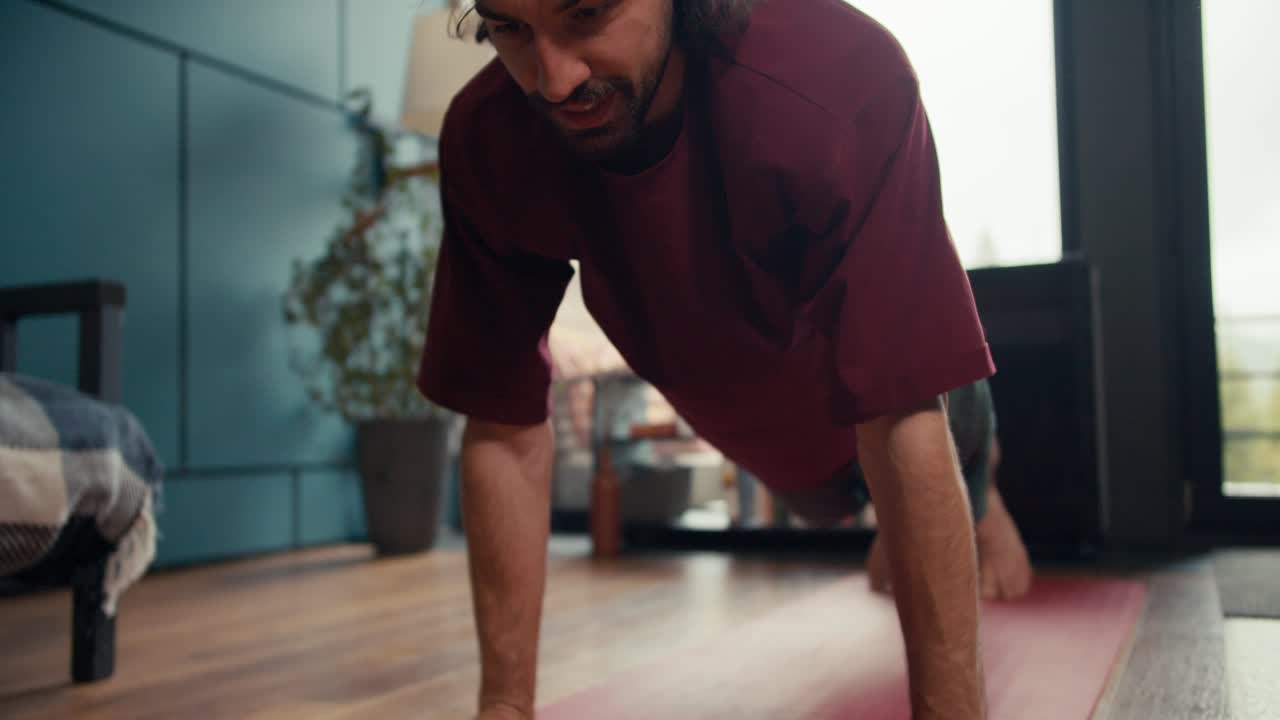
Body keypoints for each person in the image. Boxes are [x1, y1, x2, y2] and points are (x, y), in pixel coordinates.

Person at [415, 0, 1033, 717]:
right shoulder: (488, 136)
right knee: (821, 507)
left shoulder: (838, 75)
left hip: (877, 398)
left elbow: (905, 396)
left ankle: (987, 505)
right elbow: (501, 420)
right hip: (763, 432)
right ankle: (886, 526)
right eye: (510, 29)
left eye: (586, 13)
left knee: (952, 405)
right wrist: (504, 708)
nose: (552, 79)